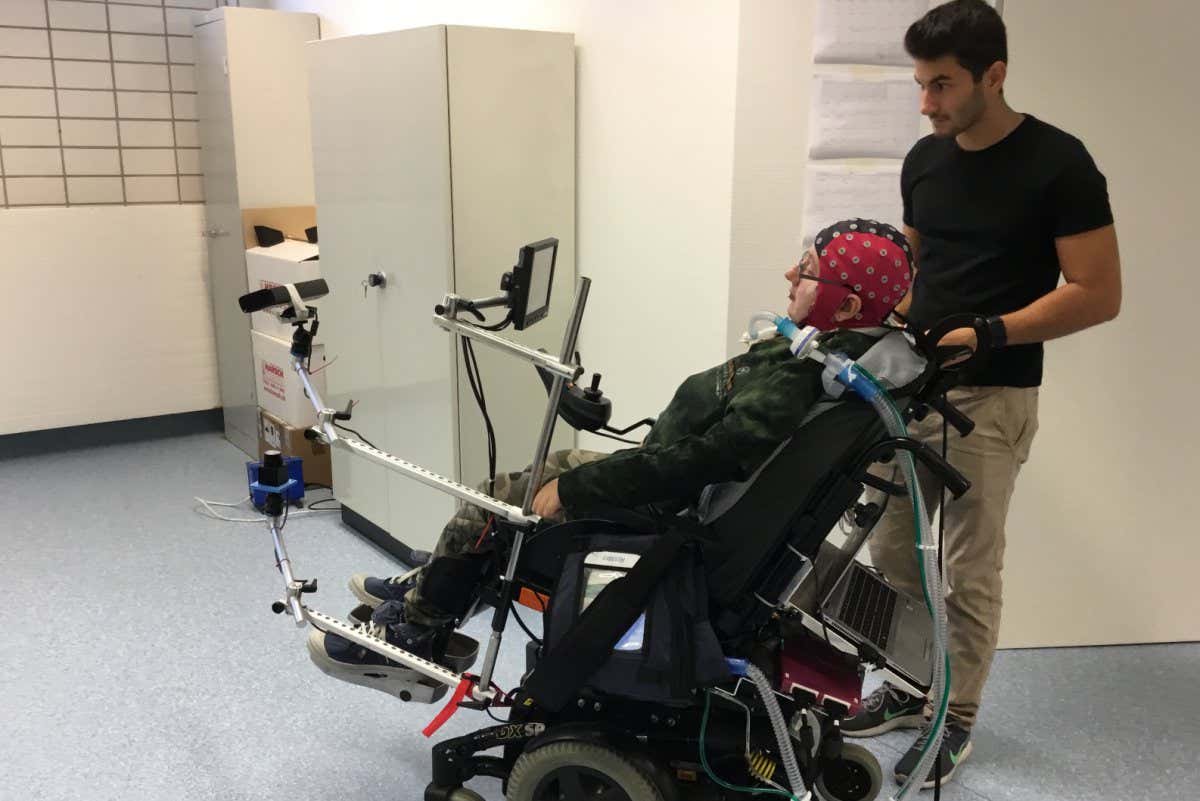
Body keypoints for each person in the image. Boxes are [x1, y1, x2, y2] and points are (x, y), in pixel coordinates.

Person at [306, 217, 917, 692]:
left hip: (663, 511)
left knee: (495, 503)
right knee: (531, 476)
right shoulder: (820, 363)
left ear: (846, 308)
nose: (789, 275)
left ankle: (418, 628)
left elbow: (714, 456)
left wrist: (578, 492)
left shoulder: (800, 375)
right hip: (666, 486)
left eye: (806, 271)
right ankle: (435, 582)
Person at [839, 0, 1122, 790]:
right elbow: (914, 275)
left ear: (993, 76)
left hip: (992, 398)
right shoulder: (925, 159)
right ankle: (906, 687)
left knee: (969, 568)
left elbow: (1099, 292)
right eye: (920, 84)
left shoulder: (1060, 164)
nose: (926, 103)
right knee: (893, 555)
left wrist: (988, 333)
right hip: (907, 390)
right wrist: (851, 302)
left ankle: (955, 717)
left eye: (942, 85)